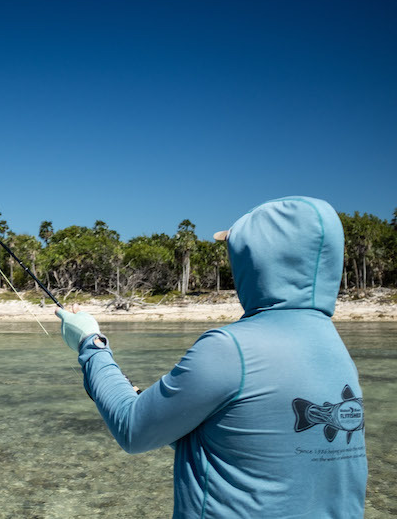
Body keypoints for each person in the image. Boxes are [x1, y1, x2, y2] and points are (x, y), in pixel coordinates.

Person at [55, 196, 367, 518]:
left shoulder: (230, 349)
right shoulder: (335, 347)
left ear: (254, 260)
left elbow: (133, 430)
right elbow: (245, 438)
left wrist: (90, 344)